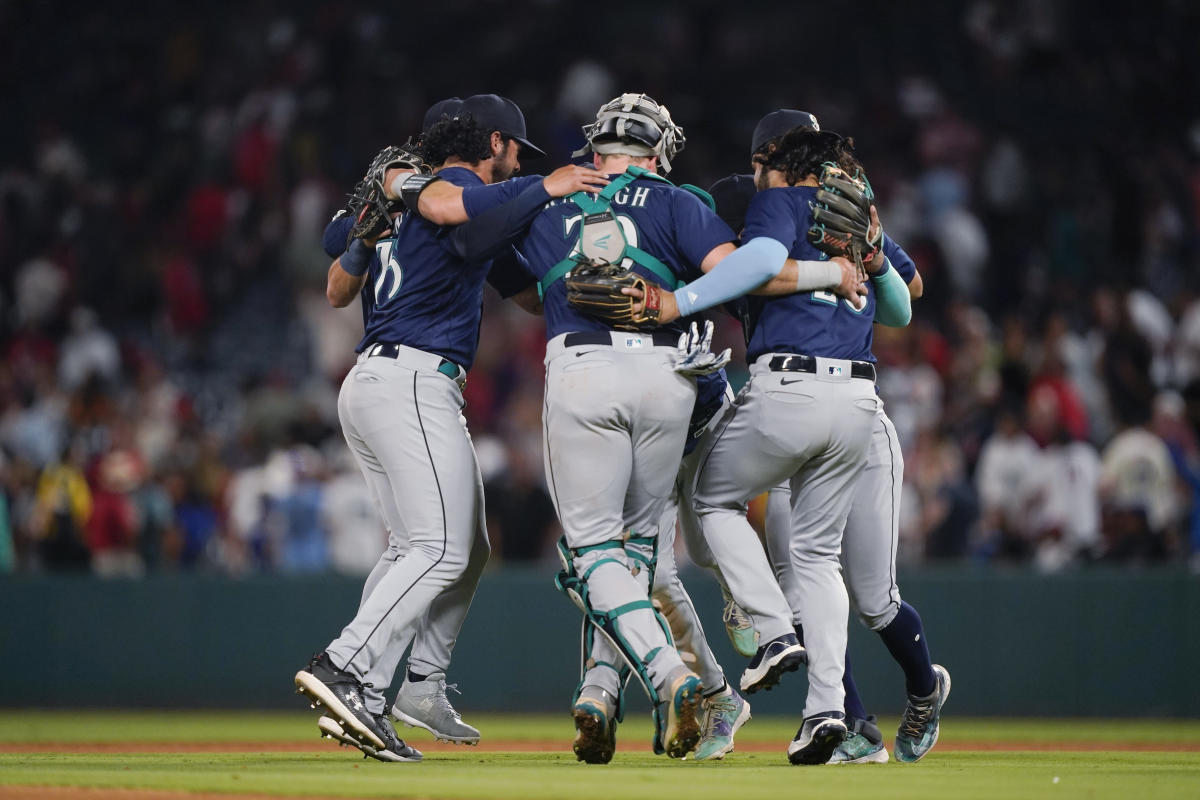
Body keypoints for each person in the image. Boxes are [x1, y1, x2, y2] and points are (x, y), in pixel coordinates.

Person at [295, 94, 608, 763]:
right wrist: (546, 188)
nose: (520, 162)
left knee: (451, 545)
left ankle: (405, 686)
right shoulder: (457, 187)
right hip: (410, 378)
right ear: (493, 142)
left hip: (380, 381)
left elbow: (516, 285)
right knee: (437, 548)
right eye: (517, 150)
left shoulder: (422, 207)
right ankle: (347, 667)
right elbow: (459, 210)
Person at [641, 118, 918, 764]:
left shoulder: (771, 198)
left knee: (712, 502)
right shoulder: (856, 210)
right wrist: (869, 259)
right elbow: (903, 308)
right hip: (858, 399)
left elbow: (759, 262)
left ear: (772, 159)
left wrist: (678, 303)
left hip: (788, 388)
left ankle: (769, 631)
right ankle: (829, 712)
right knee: (817, 561)